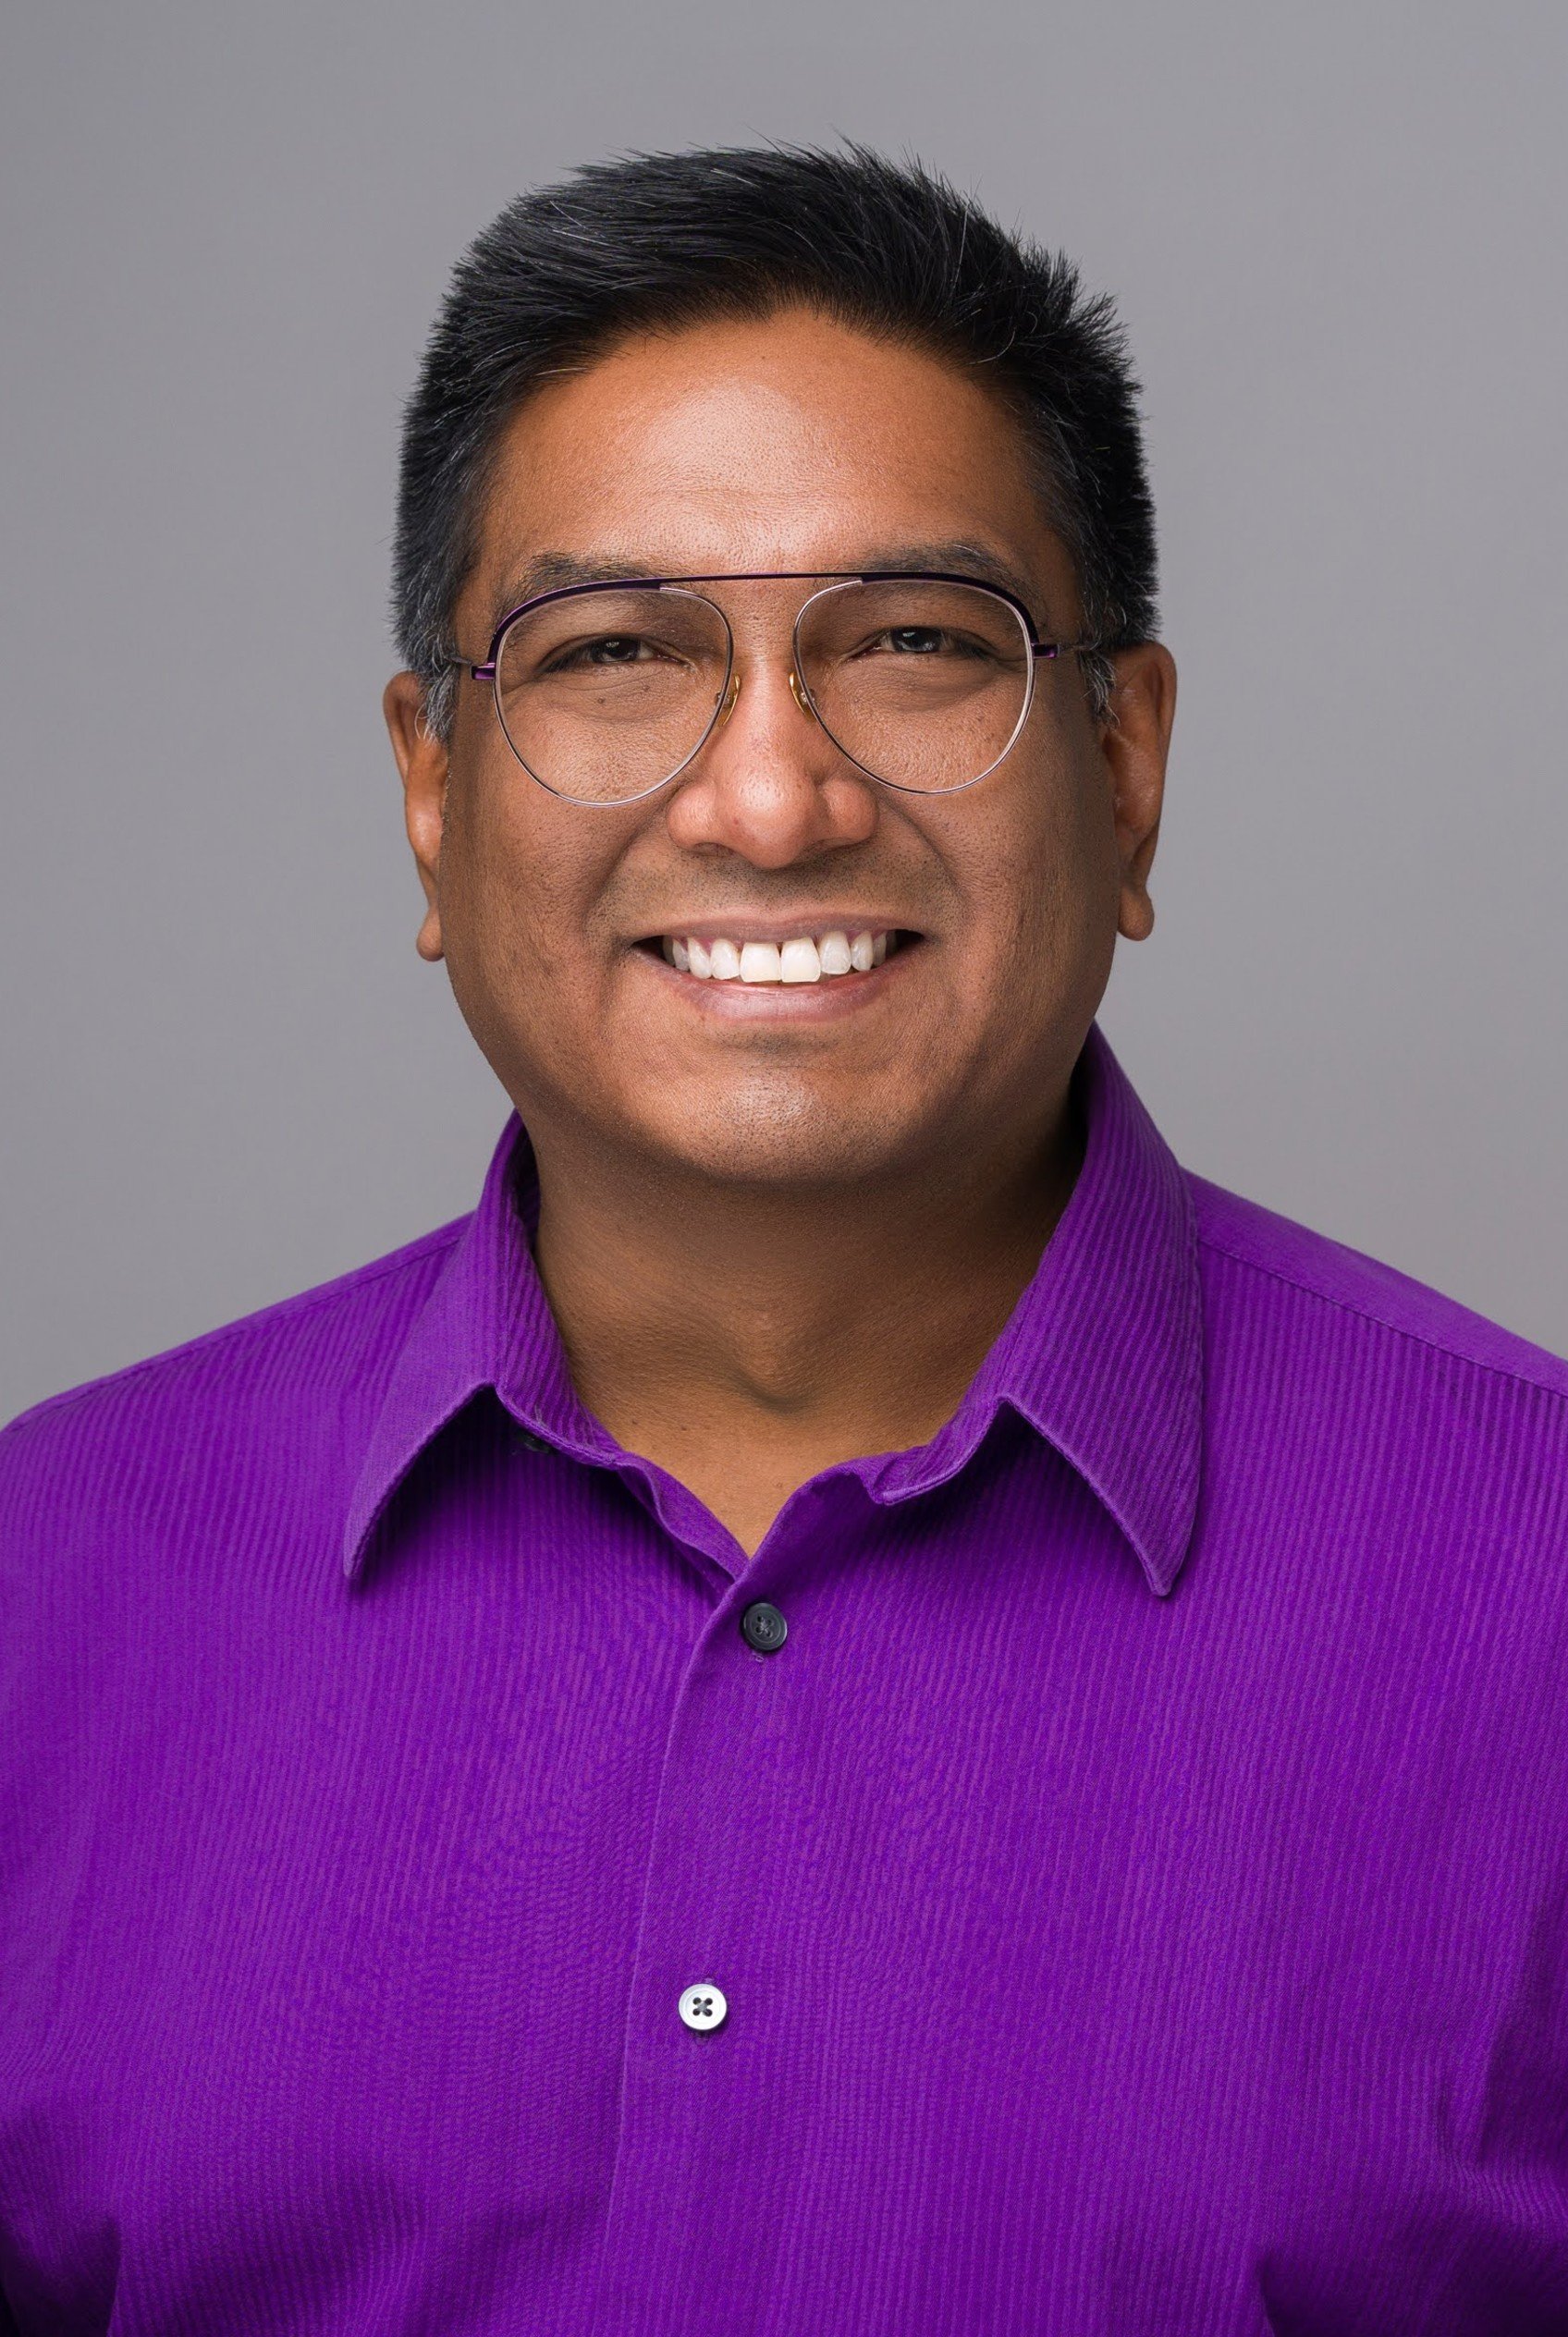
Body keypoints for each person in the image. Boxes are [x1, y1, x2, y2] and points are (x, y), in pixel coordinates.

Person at [3, 142, 1566, 2337]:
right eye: (616, 648)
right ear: (431, 793)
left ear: (1124, 767)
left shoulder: (1535, 1578)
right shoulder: (46, 1589)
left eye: (916, 643)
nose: (768, 798)